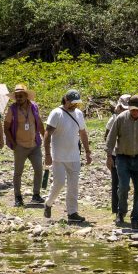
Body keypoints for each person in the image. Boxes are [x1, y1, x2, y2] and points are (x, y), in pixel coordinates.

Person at [106, 95, 138, 230]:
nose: (134, 112)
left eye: (137, 110)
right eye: (132, 110)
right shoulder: (121, 119)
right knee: (123, 187)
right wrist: (109, 156)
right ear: (129, 108)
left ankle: (135, 217)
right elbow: (111, 137)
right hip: (123, 158)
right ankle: (121, 213)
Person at [43, 88, 91, 222]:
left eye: (77, 103)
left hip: (74, 156)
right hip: (58, 156)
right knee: (58, 183)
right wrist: (47, 154)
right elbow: (47, 135)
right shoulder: (56, 113)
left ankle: (72, 212)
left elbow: (83, 133)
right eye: (73, 102)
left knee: (73, 186)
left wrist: (87, 152)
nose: (75, 105)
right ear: (66, 100)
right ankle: (48, 203)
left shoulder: (79, 114)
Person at [4, 83, 45, 206]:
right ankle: (18, 197)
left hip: (34, 145)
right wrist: (14, 144)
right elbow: (6, 128)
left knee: (38, 169)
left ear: (26, 96)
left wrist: (46, 138)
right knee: (18, 172)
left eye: (21, 95)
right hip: (20, 146)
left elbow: (39, 123)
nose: (19, 98)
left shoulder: (34, 107)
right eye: (17, 96)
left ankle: (36, 195)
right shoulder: (12, 109)